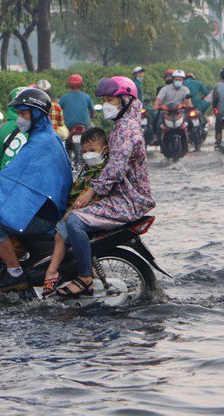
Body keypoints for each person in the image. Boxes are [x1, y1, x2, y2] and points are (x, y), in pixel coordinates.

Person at [54, 77, 155, 298]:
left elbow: (116, 168)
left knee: (74, 221)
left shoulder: (126, 129)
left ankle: (84, 278)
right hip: (121, 195)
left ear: (126, 100)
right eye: (105, 99)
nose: (107, 104)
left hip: (128, 201)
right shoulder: (122, 126)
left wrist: (91, 192)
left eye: (111, 99)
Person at [0, 88, 72, 290]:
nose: (20, 119)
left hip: (45, 213)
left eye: (24, 114)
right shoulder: (45, 137)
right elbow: (20, 175)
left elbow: (12, 174)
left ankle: (15, 274)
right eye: (19, 114)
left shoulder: (41, 143)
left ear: (37, 114)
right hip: (46, 205)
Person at [43, 127, 108, 294]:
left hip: (89, 211)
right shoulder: (89, 168)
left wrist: (71, 210)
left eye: (92, 150)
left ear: (105, 150)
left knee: (60, 235)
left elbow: (87, 199)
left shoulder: (104, 171)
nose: (88, 154)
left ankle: (51, 272)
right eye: (85, 151)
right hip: (82, 209)